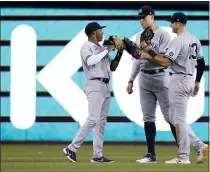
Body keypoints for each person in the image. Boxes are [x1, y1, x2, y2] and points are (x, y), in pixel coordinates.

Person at [139, 12, 208, 164]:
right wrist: (197, 82)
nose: (170, 25)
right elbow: (201, 63)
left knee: (178, 120)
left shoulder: (178, 41)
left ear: (179, 23)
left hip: (178, 79)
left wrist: (148, 49)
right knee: (172, 117)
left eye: (172, 22)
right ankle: (199, 146)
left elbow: (164, 62)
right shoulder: (194, 39)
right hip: (188, 79)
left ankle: (184, 156)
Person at [63, 22, 123, 163]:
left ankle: (97, 155)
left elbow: (112, 67)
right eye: (100, 31)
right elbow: (91, 61)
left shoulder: (101, 48)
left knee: (101, 122)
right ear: (93, 34)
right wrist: (108, 49)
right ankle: (71, 148)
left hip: (106, 85)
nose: (102, 33)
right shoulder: (86, 47)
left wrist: (120, 52)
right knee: (93, 119)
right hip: (94, 84)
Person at [126, 5, 178, 163]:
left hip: (161, 77)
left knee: (170, 116)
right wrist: (131, 80)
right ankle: (151, 154)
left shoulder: (163, 34)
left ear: (152, 17)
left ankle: (183, 153)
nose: (141, 20)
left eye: (144, 17)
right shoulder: (139, 37)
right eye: (139, 18)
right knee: (148, 117)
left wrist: (145, 53)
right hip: (144, 78)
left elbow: (163, 58)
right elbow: (137, 60)